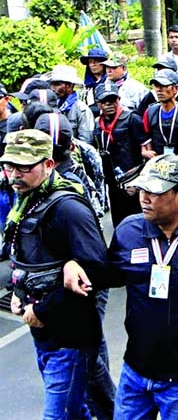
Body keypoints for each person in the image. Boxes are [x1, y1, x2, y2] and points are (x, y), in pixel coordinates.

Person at [64, 154, 178, 420]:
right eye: (142, 188)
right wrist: (74, 264)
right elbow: (112, 275)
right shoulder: (128, 230)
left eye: (154, 191)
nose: (144, 197)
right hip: (136, 371)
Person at [4, 129, 108, 420]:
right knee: (75, 411)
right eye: (9, 165)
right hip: (45, 332)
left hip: (70, 336)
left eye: (25, 166)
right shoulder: (27, 198)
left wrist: (42, 308)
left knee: (59, 415)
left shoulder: (68, 208)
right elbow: (29, 253)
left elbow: (99, 270)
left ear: (48, 165)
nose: (14, 174)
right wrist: (19, 292)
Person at [93, 81, 146, 227]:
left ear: (119, 100)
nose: (109, 104)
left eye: (112, 100)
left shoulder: (132, 119)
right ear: (98, 103)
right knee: (119, 222)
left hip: (133, 181)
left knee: (137, 221)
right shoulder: (98, 125)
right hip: (112, 182)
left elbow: (146, 149)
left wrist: (140, 180)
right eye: (104, 101)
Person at [141, 69, 178, 161]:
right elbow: (144, 137)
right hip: (158, 163)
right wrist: (144, 151)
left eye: (164, 86)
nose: (159, 90)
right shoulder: (150, 111)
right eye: (156, 86)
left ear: (176, 89)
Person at [50, 64, 95, 144]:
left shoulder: (82, 110)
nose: (53, 88)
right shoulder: (51, 107)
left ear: (69, 86)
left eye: (57, 84)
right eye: (52, 84)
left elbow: (86, 141)